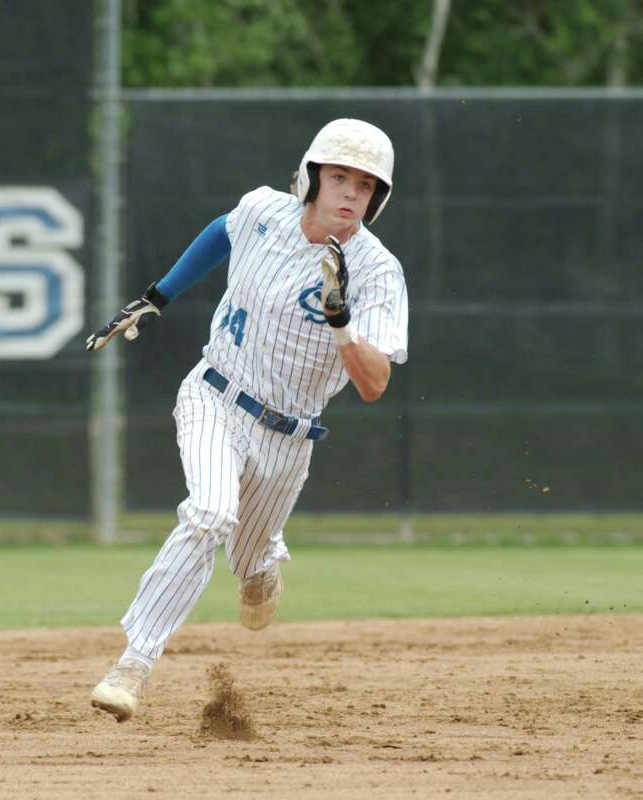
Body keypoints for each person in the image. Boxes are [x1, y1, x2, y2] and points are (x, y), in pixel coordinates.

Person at [83, 118, 409, 722]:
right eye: (339, 177)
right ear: (312, 177)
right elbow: (221, 232)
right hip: (215, 396)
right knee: (209, 512)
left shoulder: (378, 272)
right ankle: (133, 663)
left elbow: (374, 383)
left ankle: (261, 565)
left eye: (365, 186)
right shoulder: (265, 210)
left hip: (291, 437)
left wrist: (342, 322)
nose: (349, 194)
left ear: (377, 198)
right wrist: (160, 295)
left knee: (248, 557)